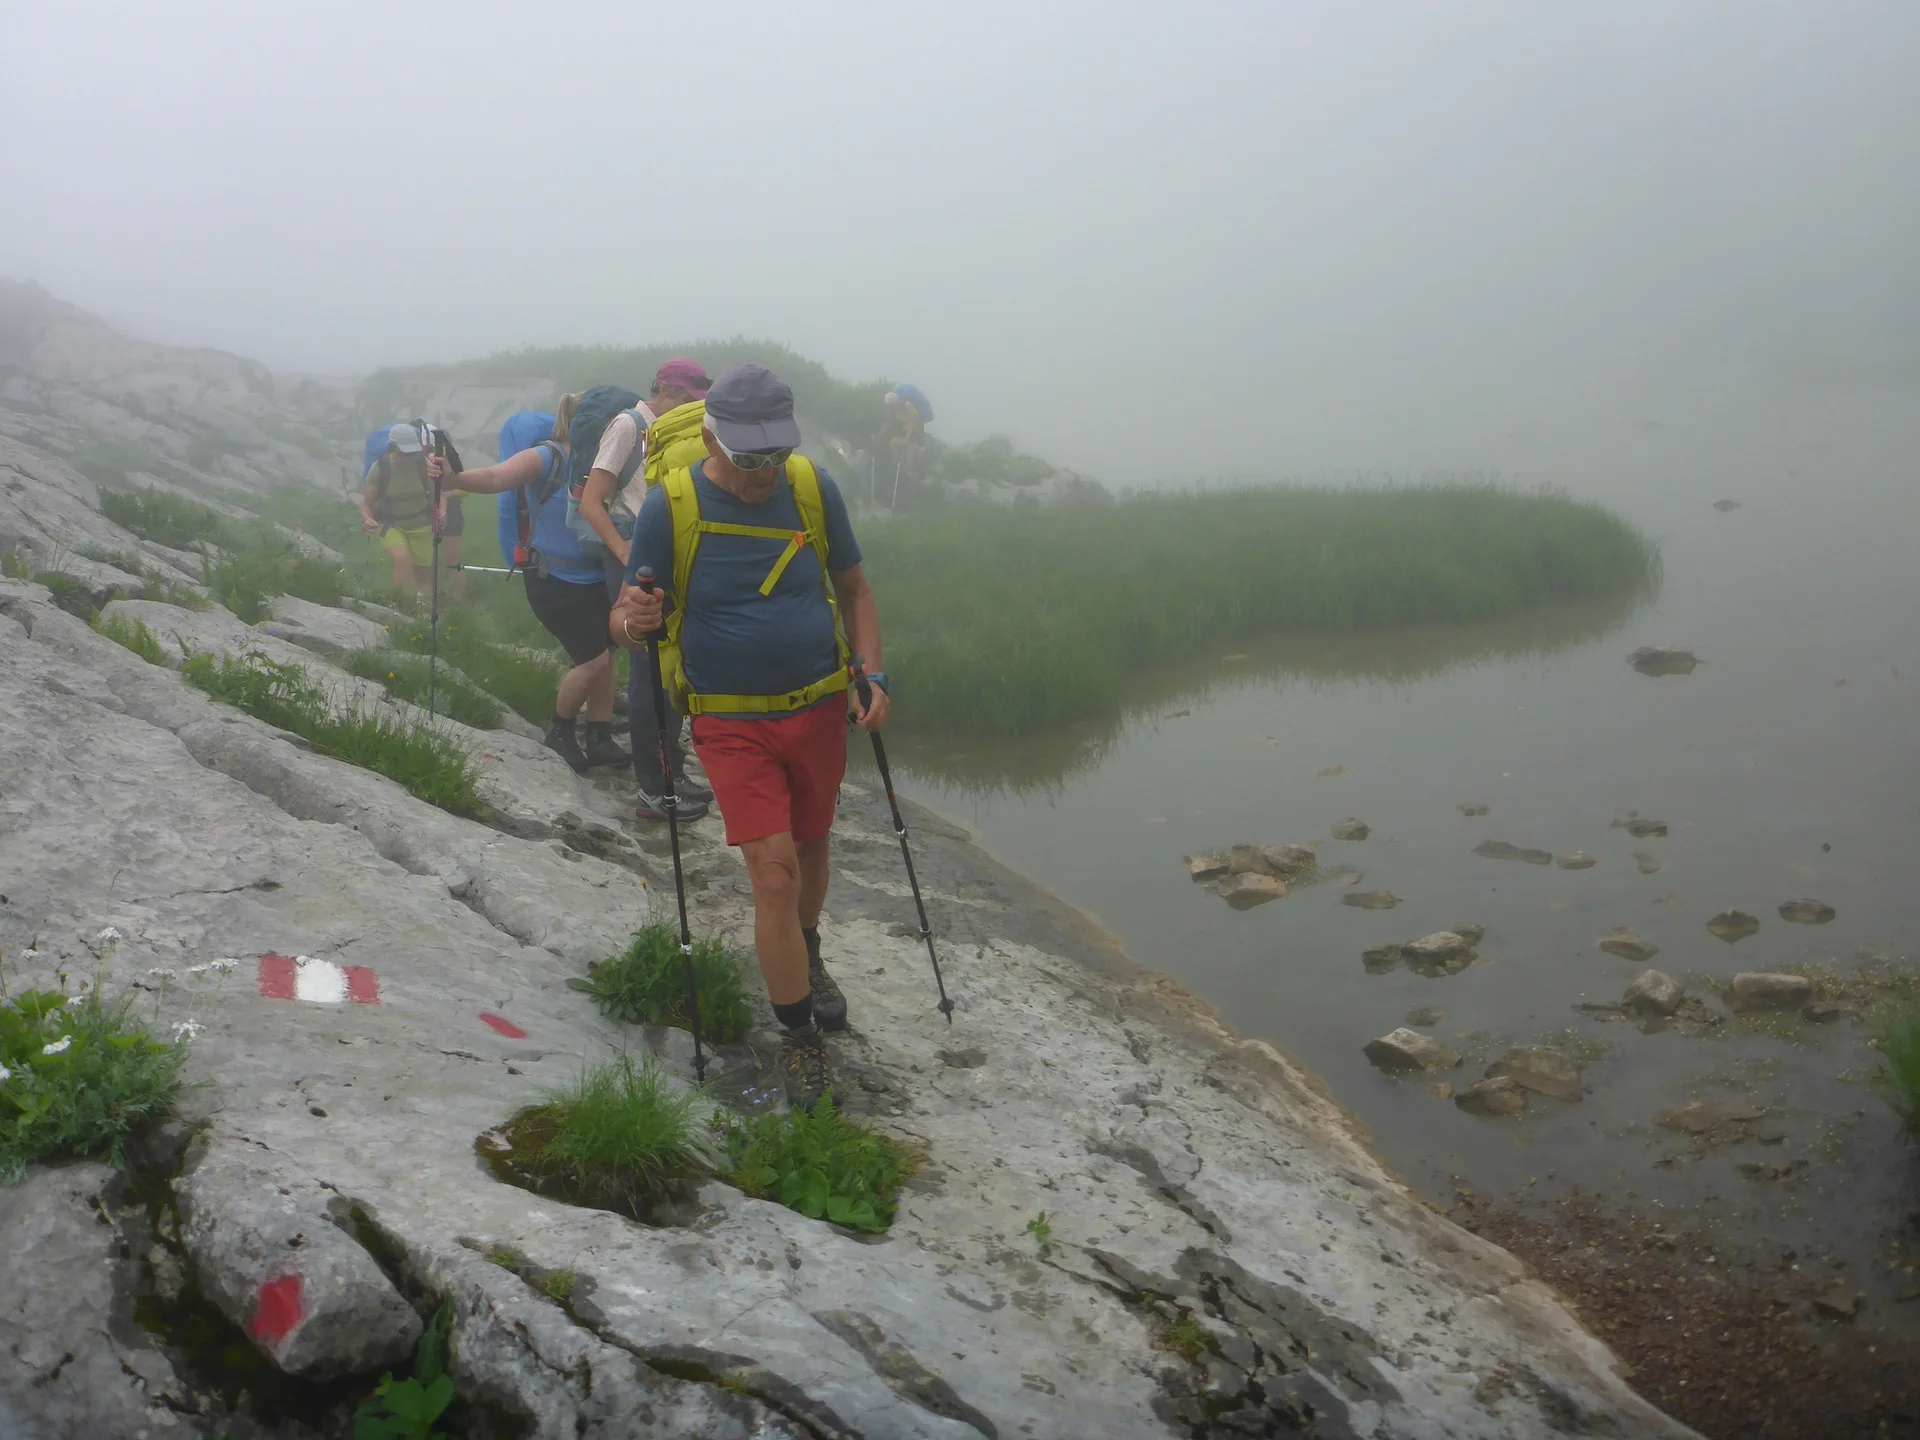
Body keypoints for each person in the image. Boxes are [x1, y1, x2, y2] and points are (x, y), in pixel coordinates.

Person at [610, 363, 889, 1111]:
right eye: (748, 458)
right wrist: (630, 622)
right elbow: (628, 612)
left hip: (818, 707)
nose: (764, 473)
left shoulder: (811, 488)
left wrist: (872, 673)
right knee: (772, 873)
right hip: (729, 718)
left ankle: (811, 953)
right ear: (710, 438)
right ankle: (800, 1038)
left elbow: (857, 590)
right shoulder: (669, 507)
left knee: (810, 850)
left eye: (774, 455)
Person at [430, 396, 627, 773]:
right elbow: (496, 477)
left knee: (609, 653)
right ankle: (561, 730)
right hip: (554, 578)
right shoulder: (547, 457)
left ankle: (600, 735)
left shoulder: (606, 462)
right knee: (593, 659)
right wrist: (452, 478)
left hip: (598, 574)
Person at [578, 359, 715, 820]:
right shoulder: (628, 425)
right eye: (688, 396)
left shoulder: (685, 431)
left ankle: (670, 772)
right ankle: (654, 790)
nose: (695, 405)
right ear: (665, 391)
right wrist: (623, 554)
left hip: (666, 554)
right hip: (635, 556)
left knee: (671, 664)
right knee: (648, 670)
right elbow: (590, 500)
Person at [360, 423, 439, 598]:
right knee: (402, 561)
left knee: (423, 575)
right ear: (391, 449)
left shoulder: (423, 465)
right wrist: (367, 519)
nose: (408, 458)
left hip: (421, 523)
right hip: (390, 524)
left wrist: (442, 510)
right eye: (403, 454)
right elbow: (367, 504)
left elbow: (438, 493)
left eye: (412, 453)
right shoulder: (379, 469)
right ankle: (403, 605)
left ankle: (421, 611)